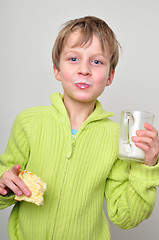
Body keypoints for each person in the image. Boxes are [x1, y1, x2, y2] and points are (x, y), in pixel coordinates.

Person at [0, 16, 159, 240]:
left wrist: (147, 166)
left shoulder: (118, 138)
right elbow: (3, 189)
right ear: (57, 70)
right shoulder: (28, 122)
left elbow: (126, 218)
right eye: (73, 58)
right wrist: (4, 185)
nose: (84, 70)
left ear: (110, 76)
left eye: (96, 62)